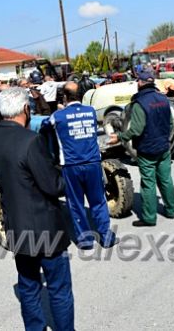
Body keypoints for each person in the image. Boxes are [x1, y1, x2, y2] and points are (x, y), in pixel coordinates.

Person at [0, 88, 74, 330]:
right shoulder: (31, 140)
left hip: (17, 223)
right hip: (46, 226)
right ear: (26, 108)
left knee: (28, 286)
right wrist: (65, 175)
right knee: (58, 288)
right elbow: (53, 185)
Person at [48, 82, 115, 248]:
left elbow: (45, 127)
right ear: (80, 96)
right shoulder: (91, 111)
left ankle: (85, 240)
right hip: (92, 162)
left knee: (76, 203)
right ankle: (106, 237)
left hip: (71, 166)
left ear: (64, 97)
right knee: (98, 201)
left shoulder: (57, 116)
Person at [109, 71, 174, 227]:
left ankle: (149, 218)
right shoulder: (163, 99)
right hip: (164, 147)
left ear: (140, 83)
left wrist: (119, 137)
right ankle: (171, 210)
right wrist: (166, 140)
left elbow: (137, 129)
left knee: (148, 184)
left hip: (147, 150)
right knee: (166, 180)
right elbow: (171, 124)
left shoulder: (140, 103)